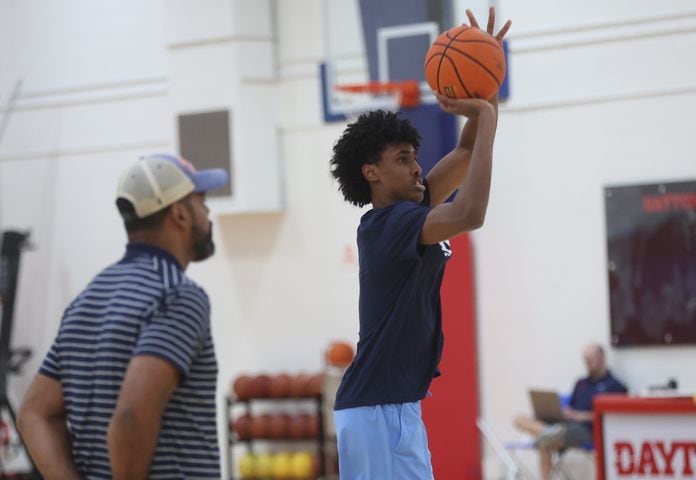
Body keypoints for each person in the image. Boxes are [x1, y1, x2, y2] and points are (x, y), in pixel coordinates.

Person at [329, 8, 511, 479]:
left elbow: (468, 152)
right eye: (403, 158)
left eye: (415, 157)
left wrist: (484, 80)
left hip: (392, 407)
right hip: (377, 410)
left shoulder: (411, 210)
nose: (416, 167)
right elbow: (471, 212)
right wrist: (486, 115)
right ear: (371, 172)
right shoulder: (387, 226)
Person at [17, 154, 228, 480]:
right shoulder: (177, 295)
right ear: (180, 214)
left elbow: (34, 414)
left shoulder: (86, 299)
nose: (209, 212)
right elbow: (131, 415)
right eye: (202, 201)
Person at [514, 343, 627, 480]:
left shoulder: (615, 385)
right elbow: (571, 407)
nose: (587, 364)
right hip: (566, 423)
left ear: (602, 358)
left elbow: (612, 416)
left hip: (586, 429)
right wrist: (563, 412)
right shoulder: (581, 383)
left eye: (590, 360)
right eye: (585, 360)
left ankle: (548, 432)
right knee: (520, 419)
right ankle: (547, 430)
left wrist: (581, 416)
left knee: (545, 442)